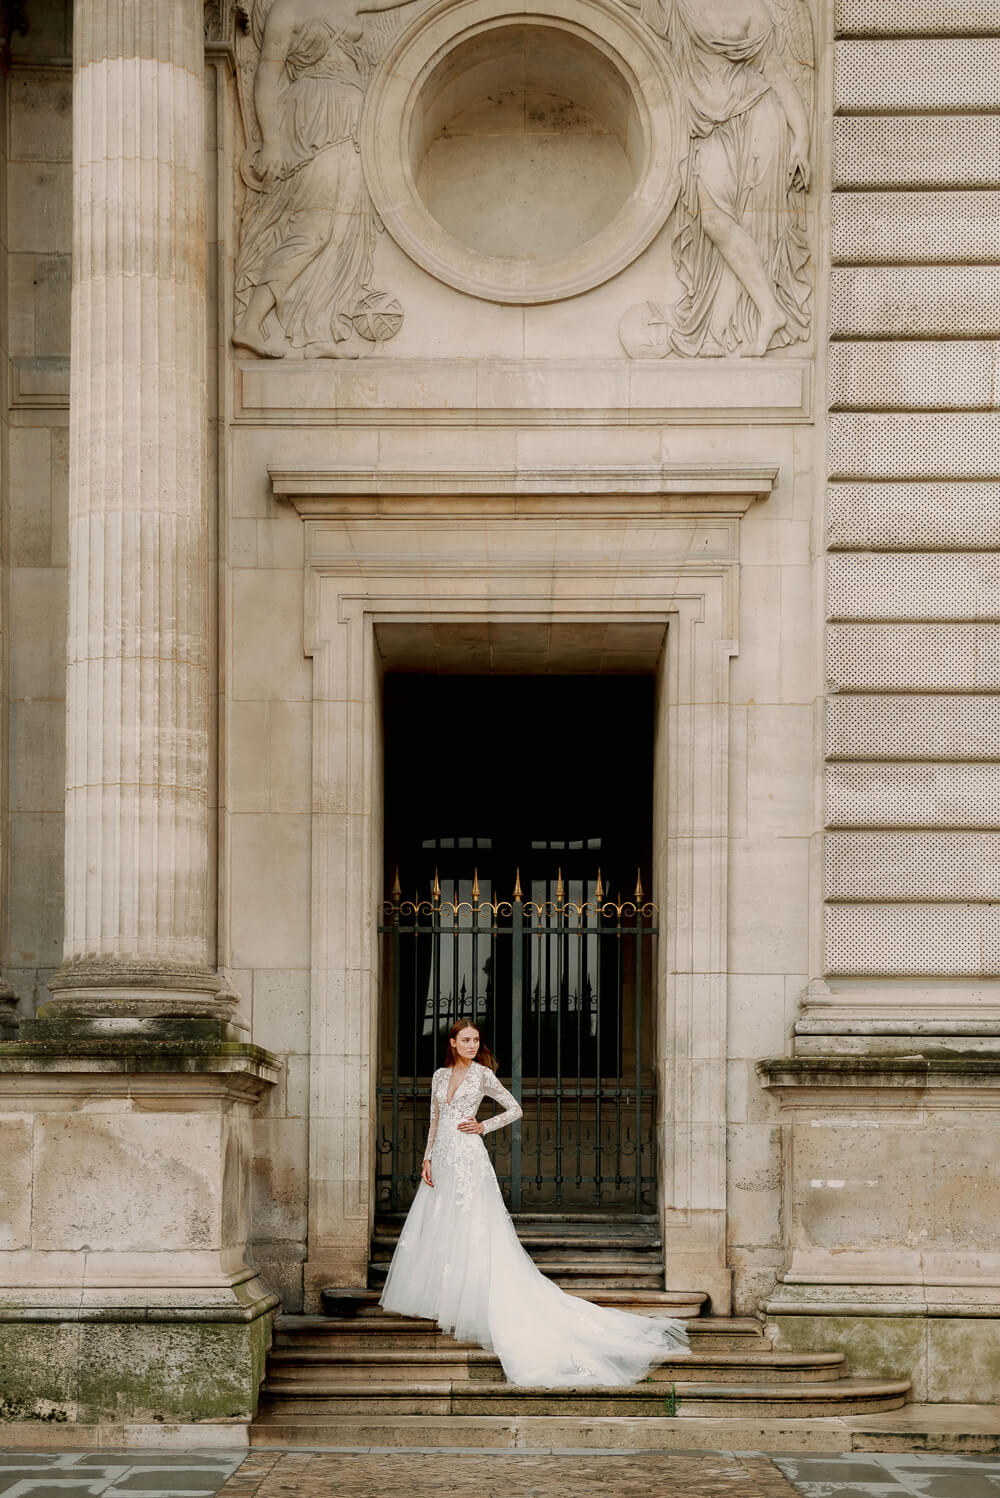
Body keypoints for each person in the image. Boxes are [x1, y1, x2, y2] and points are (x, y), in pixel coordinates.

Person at [379, 1019, 690, 1387]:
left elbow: (514, 1109)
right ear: (452, 1042)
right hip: (444, 1156)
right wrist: (427, 1156)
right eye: (465, 1040)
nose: (472, 1045)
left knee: (473, 1226)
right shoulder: (438, 1075)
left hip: (468, 1157)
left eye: (476, 1040)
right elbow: (434, 1119)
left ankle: (477, 1301)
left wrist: (483, 1126)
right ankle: (447, 1296)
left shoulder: (482, 1076)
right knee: (441, 1224)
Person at [629, 0, 812, 357]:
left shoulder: (753, 12)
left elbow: (776, 75)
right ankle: (769, 310)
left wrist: (802, 138)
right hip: (707, 126)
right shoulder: (676, 6)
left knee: (754, 222)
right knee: (712, 219)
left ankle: (761, 312)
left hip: (757, 116)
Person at [233, 0, 408, 358]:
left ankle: (317, 329)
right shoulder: (287, 9)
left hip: (355, 120)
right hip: (314, 117)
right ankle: (250, 323)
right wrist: (270, 142)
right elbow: (267, 75)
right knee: (313, 228)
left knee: (344, 232)